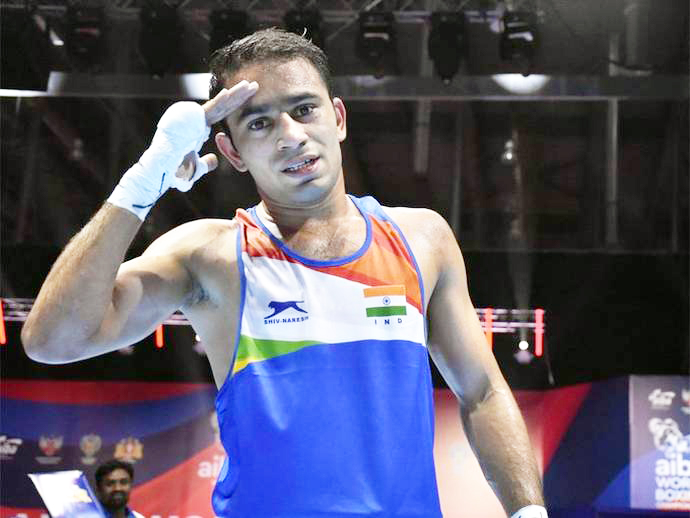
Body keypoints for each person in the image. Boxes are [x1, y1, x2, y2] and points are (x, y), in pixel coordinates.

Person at [22, 28, 547, 518]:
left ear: (337, 118)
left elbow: (482, 392)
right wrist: (141, 183)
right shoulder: (210, 255)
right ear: (231, 151)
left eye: (304, 109)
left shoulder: (422, 238)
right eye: (259, 122)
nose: (291, 136)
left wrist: (529, 511)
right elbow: (52, 341)